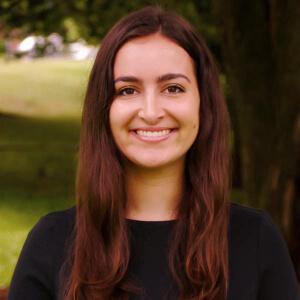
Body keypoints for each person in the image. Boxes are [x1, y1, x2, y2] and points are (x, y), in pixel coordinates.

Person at [8, 6, 300, 300]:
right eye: (128, 90)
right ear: (104, 109)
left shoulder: (255, 240)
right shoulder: (52, 242)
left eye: (173, 88)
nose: (150, 112)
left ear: (203, 103)